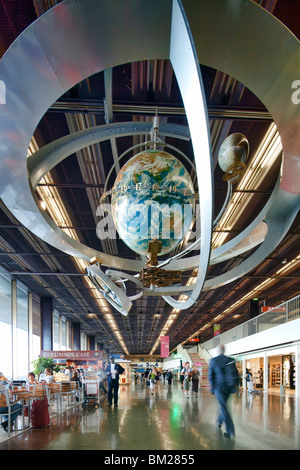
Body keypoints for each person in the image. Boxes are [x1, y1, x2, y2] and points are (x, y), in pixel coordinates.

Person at [208, 344, 237, 438]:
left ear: (218, 351)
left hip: (219, 388)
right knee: (223, 405)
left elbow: (210, 376)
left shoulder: (213, 361)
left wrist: (212, 389)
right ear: (224, 351)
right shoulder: (230, 360)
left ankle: (230, 430)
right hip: (228, 388)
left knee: (223, 407)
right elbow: (235, 373)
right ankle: (219, 421)